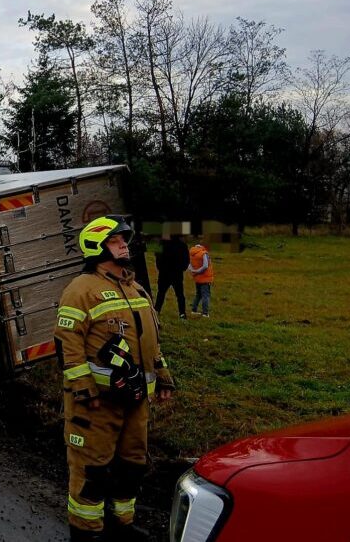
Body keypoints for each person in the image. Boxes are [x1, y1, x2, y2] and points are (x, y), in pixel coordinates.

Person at [53, 216, 175, 541]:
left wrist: (162, 377)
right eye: (116, 240)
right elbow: (68, 344)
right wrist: (83, 390)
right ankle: (85, 530)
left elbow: (151, 340)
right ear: (97, 246)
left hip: (136, 401)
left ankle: (122, 523)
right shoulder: (80, 290)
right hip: (96, 405)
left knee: (132, 465)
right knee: (92, 469)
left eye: (124, 239)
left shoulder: (135, 288)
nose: (124, 244)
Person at [153, 235, 189, 319]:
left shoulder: (162, 244)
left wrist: (160, 268)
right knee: (180, 295)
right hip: (177, 274)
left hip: (164, 273)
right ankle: (182, 313)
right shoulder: (182, 245)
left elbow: (157, 257)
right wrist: (182, 268)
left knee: (161, 293)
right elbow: (186, 260)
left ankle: (157, 310)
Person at [188, 240, 214, 317]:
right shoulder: (203, 253)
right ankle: (205, 313)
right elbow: (205, 266)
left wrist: (193, 271)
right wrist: (198, 271)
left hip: (196, 278)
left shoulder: (191, 253)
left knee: (198, 294)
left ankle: (194, 310)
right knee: (205, 295)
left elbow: (188, 264)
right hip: (205, 278)